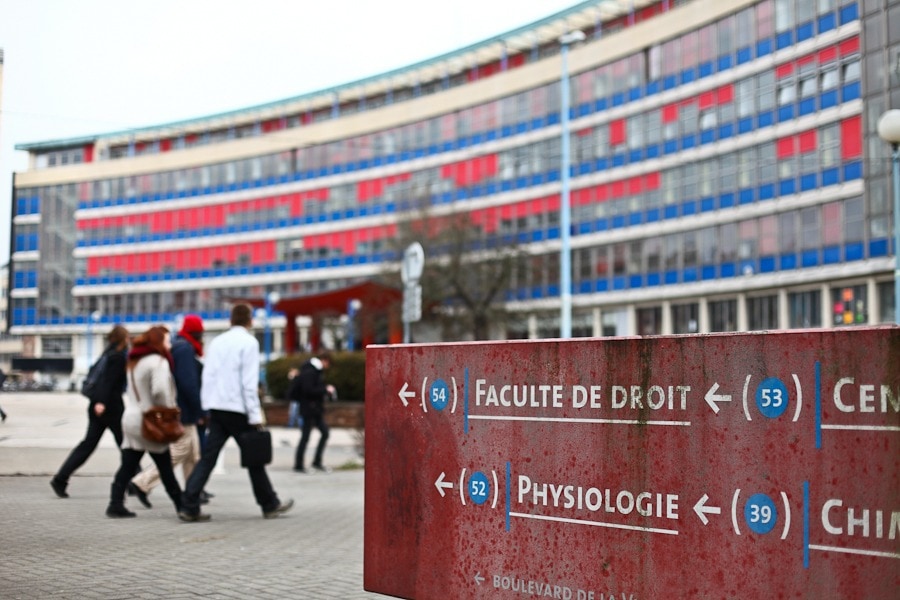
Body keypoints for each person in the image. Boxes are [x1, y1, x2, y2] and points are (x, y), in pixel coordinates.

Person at [178, 304, 293, 522]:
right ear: (249, 320)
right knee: (254, 458)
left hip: (217, 407)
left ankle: (189, 504)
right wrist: (255, 415)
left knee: (208, 458)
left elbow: (208, 376)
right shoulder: (249, 343)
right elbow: (249, 383)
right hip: (238, 408)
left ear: (231, 319)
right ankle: (269, 504)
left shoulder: (217, 342)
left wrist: (206, 406)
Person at [128, 314, 207, 508]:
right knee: (180, 451)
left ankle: (193, 493)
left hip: (182, 409)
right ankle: (142, 483)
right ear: (196, 332)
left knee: (193, 454)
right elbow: (188, 383)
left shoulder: (180, 347)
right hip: (183, 411)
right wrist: (199, 410)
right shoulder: (185, 349)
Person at [106, 325, 184, 518]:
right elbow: (160, 390)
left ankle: (115, 503)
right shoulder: (158, 362)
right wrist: (168, 409)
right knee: (165, 466)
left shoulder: (135, 361)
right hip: (150, 421)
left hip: (131, 417)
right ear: (158, 342)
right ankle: (183, 506)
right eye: (167, 340)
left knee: (128, 464)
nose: (170, 344)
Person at [51, 325, 129, 498]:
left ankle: (60, 479)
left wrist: (98, 402)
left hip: (97, 406)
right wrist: (102, 402)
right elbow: (108, 382)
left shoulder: (106, 354)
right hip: (110, 407)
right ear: (123, 339)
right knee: (127, 447)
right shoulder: (117, 357)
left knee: (88, 445)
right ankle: (135, 482)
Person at [290, 350, 336, 473]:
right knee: (306, 436)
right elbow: (308, 390)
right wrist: (325, 390)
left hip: (315, 409)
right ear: (325, 361)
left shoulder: (315, 371)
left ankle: (316, 461)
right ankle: (299, 464)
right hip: (309, 408)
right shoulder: (311, 371)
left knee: (324, 433)